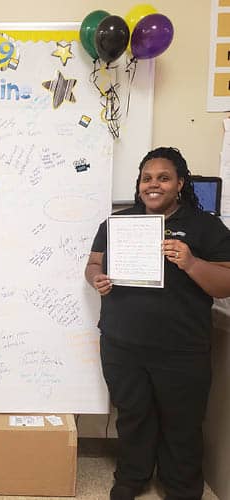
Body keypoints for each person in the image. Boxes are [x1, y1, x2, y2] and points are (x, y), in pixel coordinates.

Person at [85, 147, 230, 500]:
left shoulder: (205, 226)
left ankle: (180, 486)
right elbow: (93, 264)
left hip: (182, 347)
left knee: (182, 421)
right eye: (146, 178)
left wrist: (191, 263)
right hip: (122, 344)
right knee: (132, 415)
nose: (153, 185)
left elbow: (226, 283)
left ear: (180, 183)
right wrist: (97, 278)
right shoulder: (118, 224)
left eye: (164, 178)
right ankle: (131, 477)